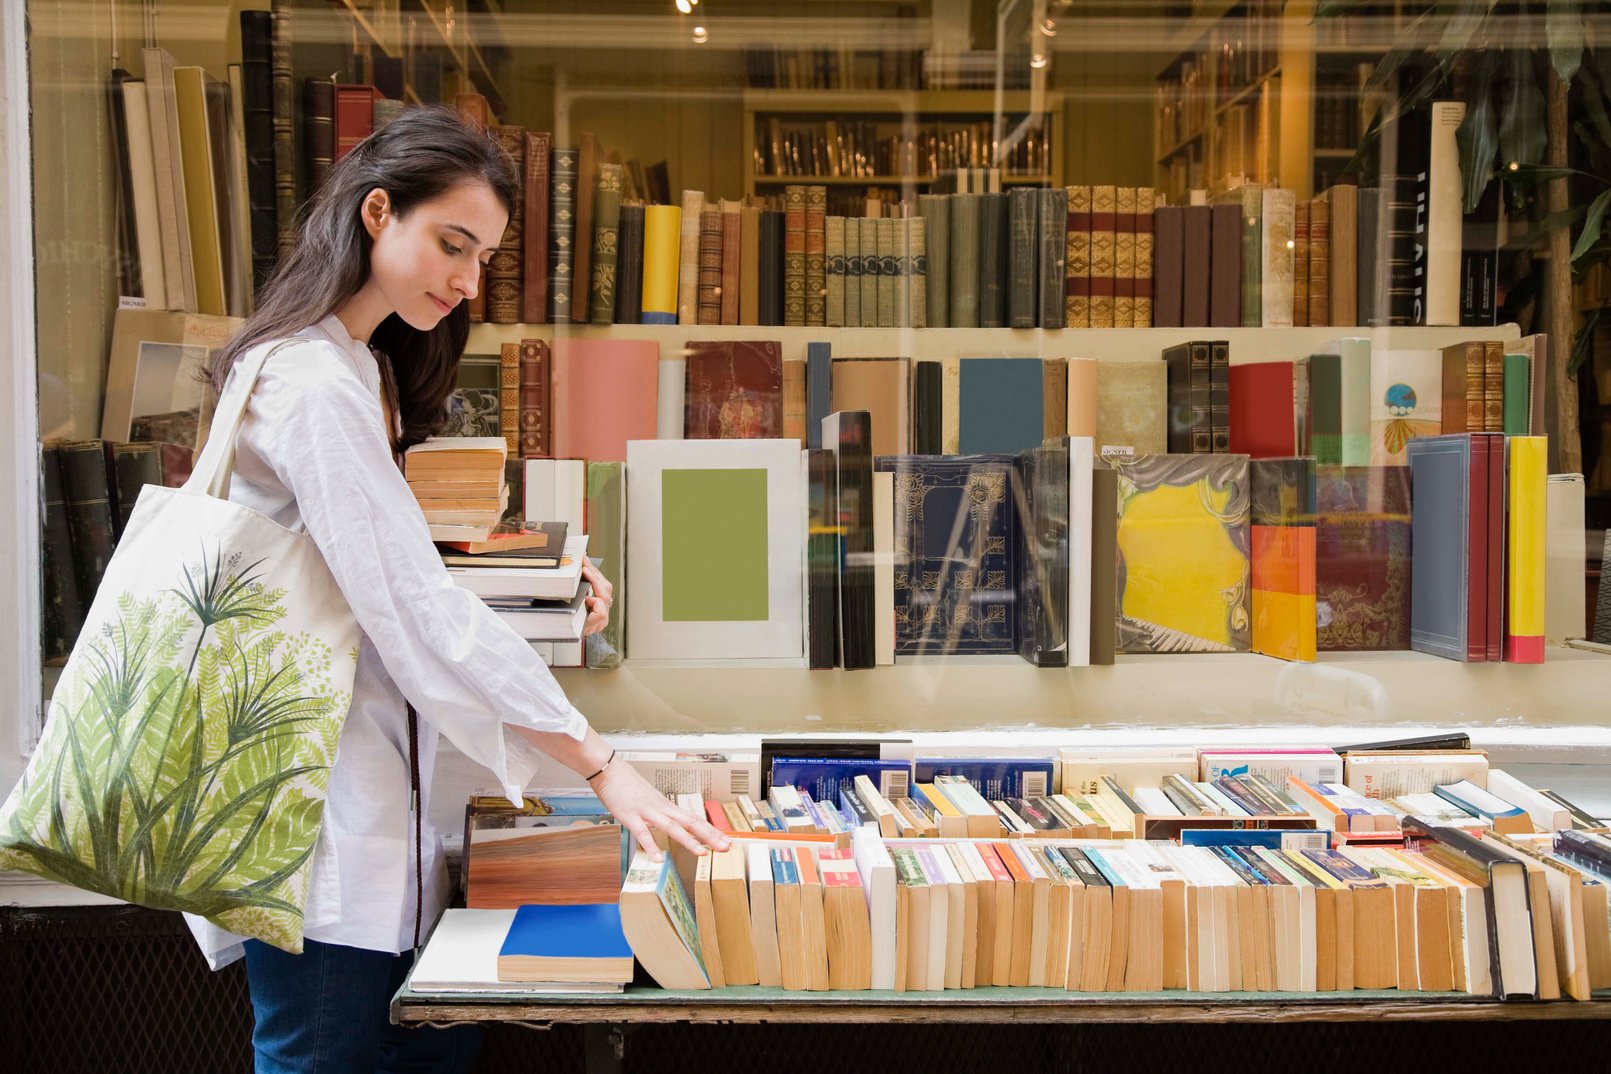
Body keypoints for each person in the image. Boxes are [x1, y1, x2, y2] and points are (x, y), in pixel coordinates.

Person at [189, 107, 729, 1073]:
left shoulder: (356, 369)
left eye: (481, 257)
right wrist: (601, 767)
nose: (466, 280)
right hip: (323, 847)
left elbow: (376, 570)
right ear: (375, 212)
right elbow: (408, 607)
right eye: (451, 244)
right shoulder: (309, 384)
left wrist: (548, 585)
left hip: (383, 845)